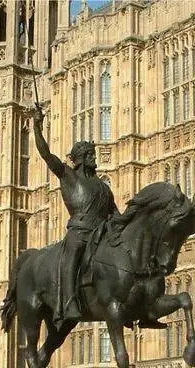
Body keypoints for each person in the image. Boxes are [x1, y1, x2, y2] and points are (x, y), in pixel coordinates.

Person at [33, 104, 119, 325]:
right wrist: (37, 126)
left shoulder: (103, 187)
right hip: (79, 231)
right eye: (90, 154)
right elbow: (46, 154)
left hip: (101, 233)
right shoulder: (68, 176)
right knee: (73, 253)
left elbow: (117, 217)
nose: (94, 157)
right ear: (81, 158)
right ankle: (69, 302)